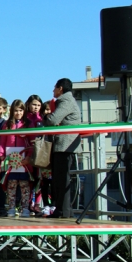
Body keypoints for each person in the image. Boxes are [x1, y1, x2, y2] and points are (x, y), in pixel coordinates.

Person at [44, 78, 82, 219]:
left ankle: (64, 211)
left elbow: (52, 120)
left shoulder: (66, 101)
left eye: (55, 87)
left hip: (65, 146)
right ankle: (62, 209)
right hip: (66, 145)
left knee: (62, 179)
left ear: (60, 88)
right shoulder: (69, 101)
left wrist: (46, 118)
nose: (53, 90)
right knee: (60, 179)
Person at [0, 100, 33, 217]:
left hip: (24, 161)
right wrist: (2, 155)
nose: (18, 113)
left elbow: (33, 143)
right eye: (16, 110)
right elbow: (2, 141)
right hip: (10, 160)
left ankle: (25, 208)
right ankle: (11, 207)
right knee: (11, 185)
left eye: (20, 110)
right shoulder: (7, 124)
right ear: (12, 111)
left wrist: (29, 157)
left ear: (24, 111)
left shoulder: (28, 124)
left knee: (24, 185)